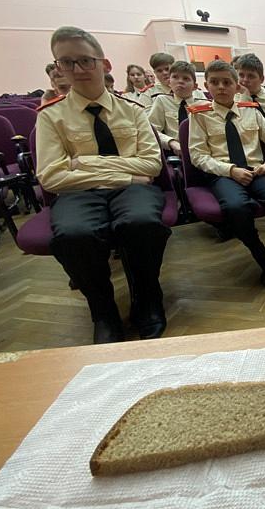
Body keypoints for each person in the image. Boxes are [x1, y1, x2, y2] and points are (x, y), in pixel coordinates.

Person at [36, 26, 169, 344]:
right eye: (67, 62)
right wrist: (125, 174)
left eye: (85, 60)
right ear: (58, 68)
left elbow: (151, 165)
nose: (77, 69)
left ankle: (147, 299)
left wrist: (83, 163)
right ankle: (103, 311)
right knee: (74, 234)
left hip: (132, 191)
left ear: (104, 64)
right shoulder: (50, 117)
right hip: (78, 193)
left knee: (142, 222)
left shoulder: (133, 111)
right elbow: (51, 177)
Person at [188, 60, 265, 287]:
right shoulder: (199, 115)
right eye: (215, 82)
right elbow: (197, 156)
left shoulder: (250, 110)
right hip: (223, 174)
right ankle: (262, 256)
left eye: (227, 82)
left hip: (256, 170)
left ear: (237, 86)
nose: (221, 87)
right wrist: (230, 170)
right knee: (236, 207)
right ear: (206, 85)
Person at [147, 60, 197, 154]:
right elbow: (151, 129)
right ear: (169, 82)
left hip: (201, 151)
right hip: (174, 152)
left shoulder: (201, 103)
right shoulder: (162, 100)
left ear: (195, 86)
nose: (180, 81)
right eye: (175, 77)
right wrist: (170, 142)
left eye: (186, 78)